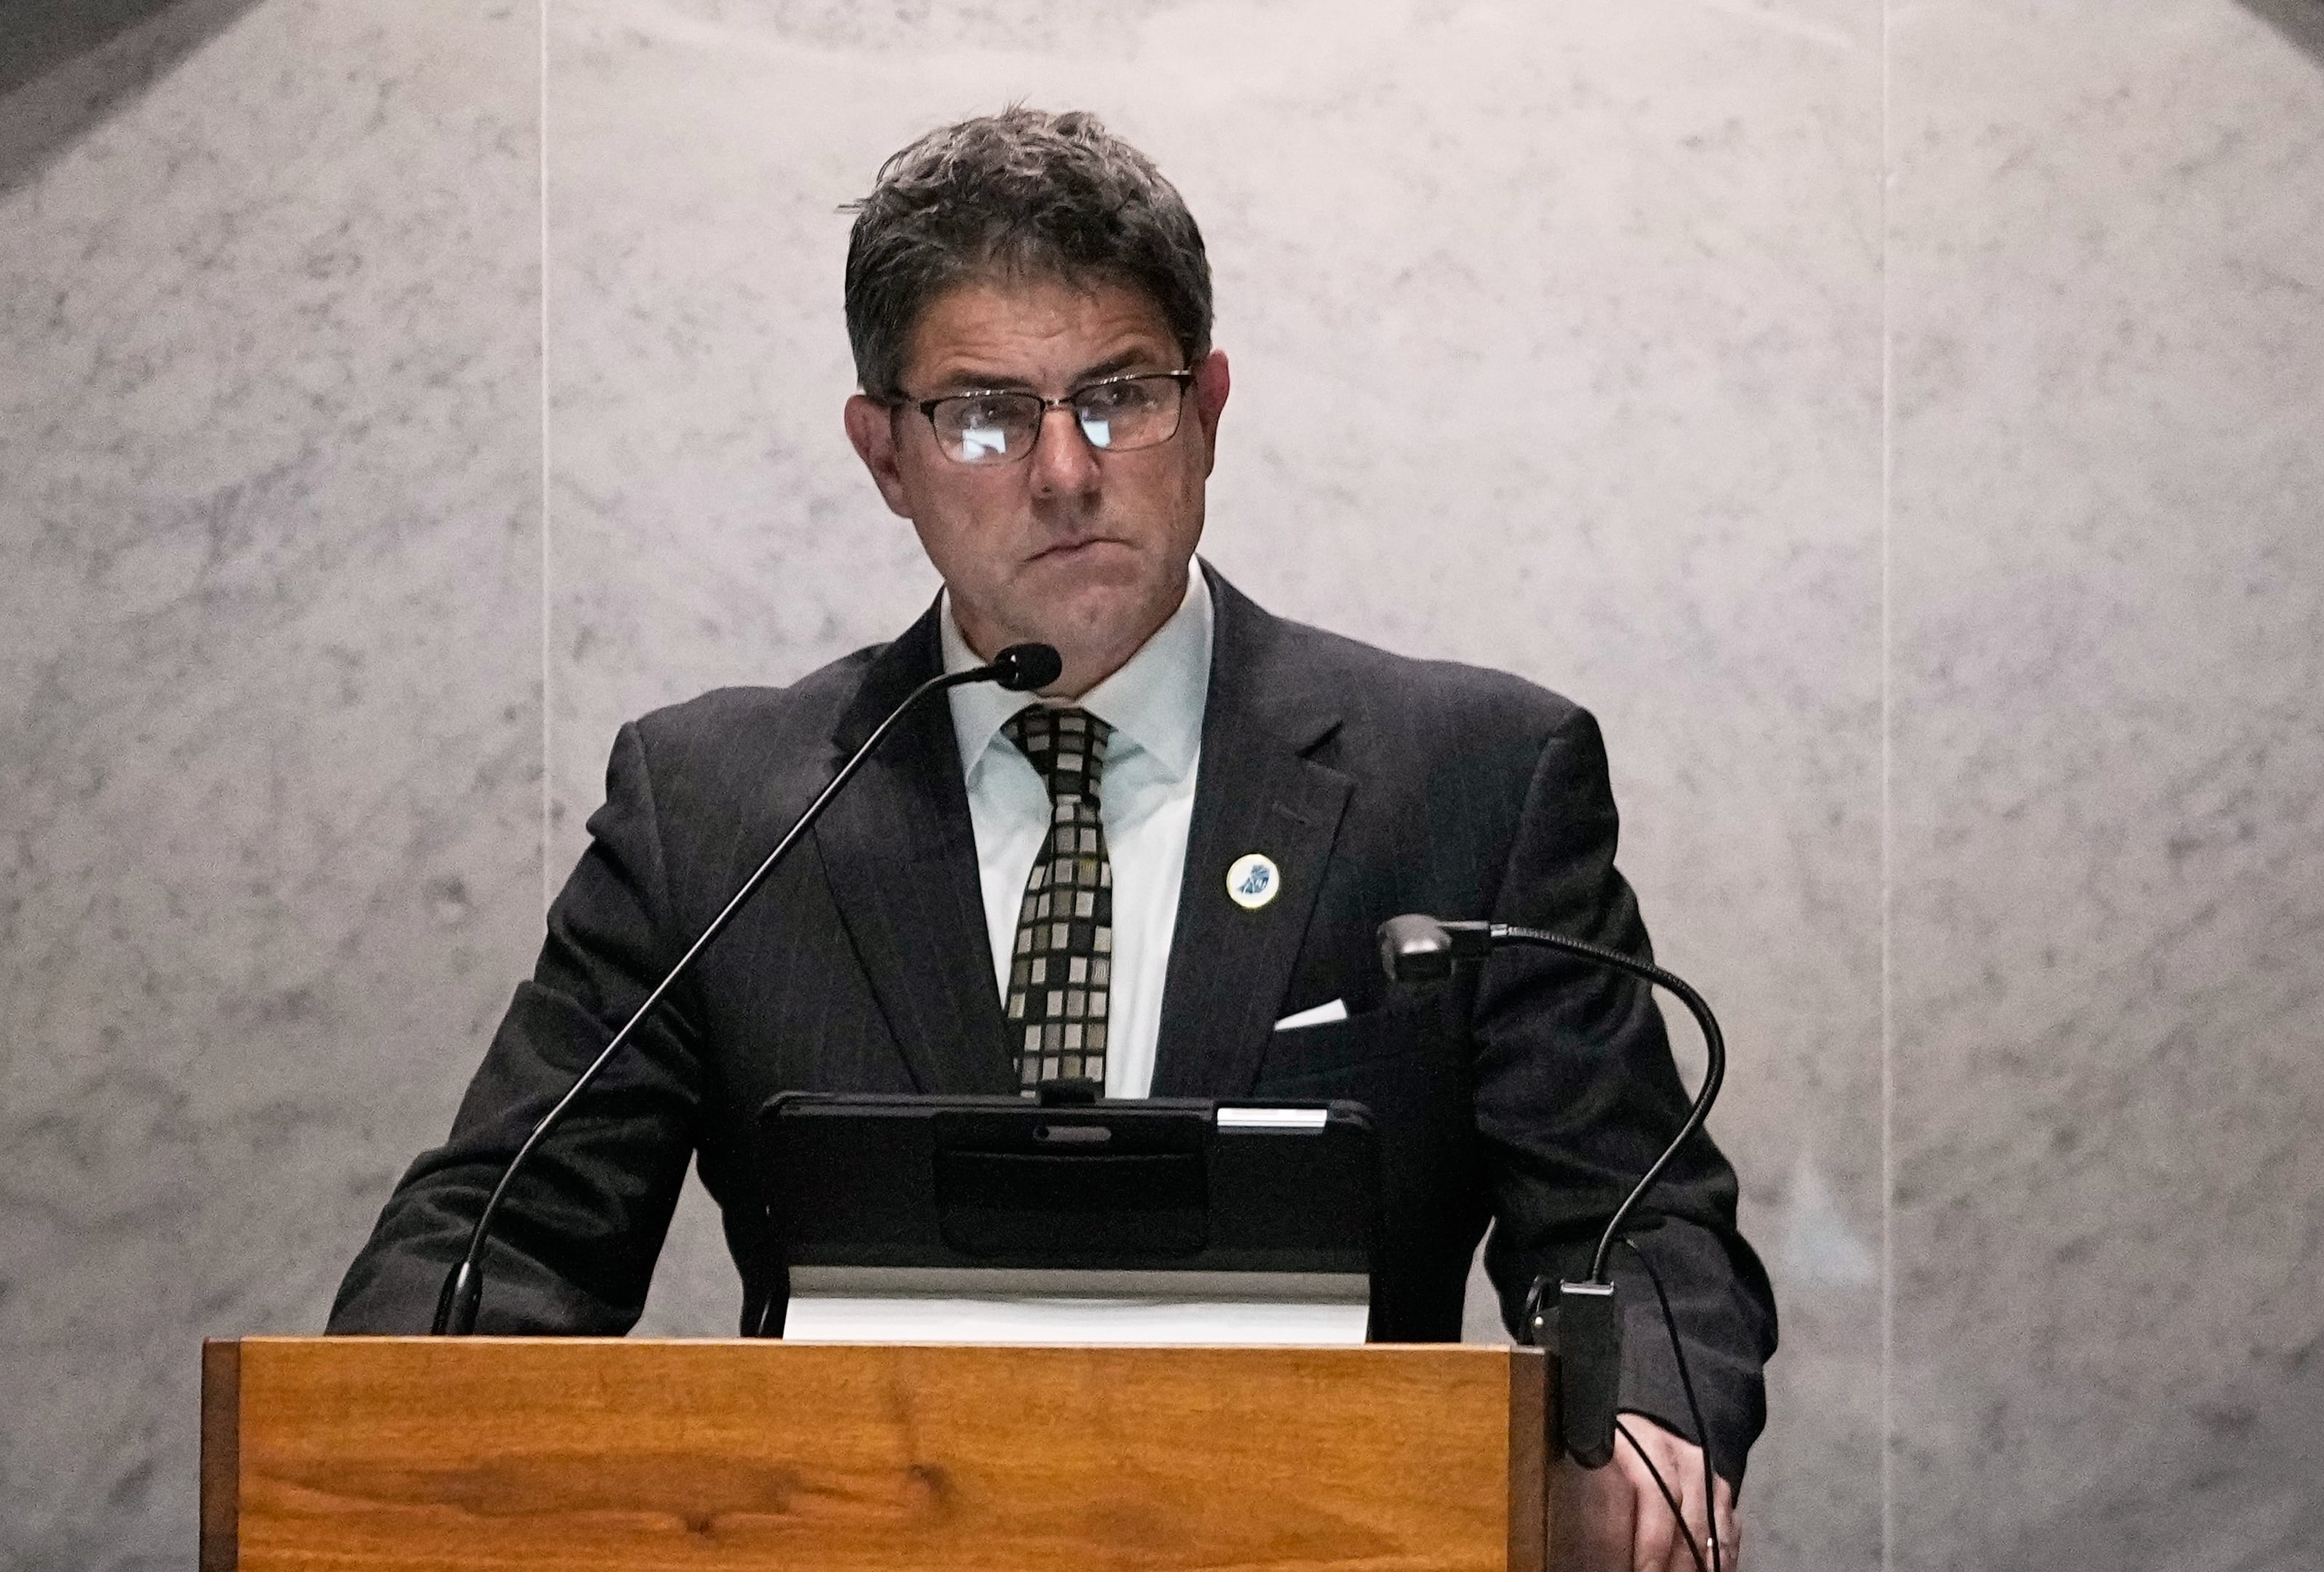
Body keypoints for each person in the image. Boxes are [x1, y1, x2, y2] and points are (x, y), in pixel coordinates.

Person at [331, 106, 1777, 1571]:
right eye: (982, 413)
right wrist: (385, 1446)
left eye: (1120, 395)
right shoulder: (716, 810)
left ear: (1209, 404)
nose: (1066, 470)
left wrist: (1649, 1428)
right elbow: (506, 1231)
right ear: (883, 454)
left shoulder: (1470, 781)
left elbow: (1636, 1224)